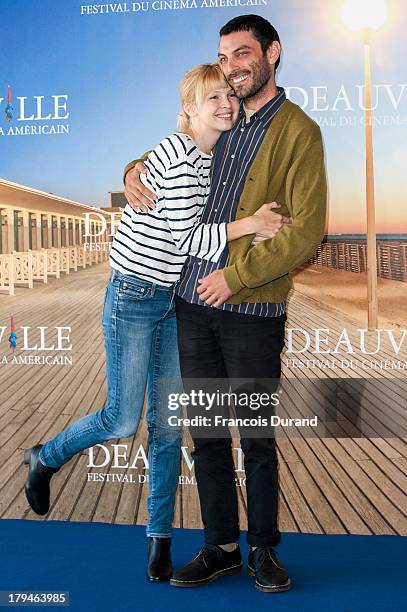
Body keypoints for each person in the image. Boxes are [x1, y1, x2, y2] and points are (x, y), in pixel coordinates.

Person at [23, 62, 288, 583]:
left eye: (227, 97)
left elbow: (209, 223)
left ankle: (159, 537)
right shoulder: (173, 154)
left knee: (168, 430)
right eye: (211, 98)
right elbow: (188, 239)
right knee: (123, 420)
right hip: (134, 296)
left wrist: (257, 232)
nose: (225, 104)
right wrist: (251, 224)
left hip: (175, 301)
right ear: (188, 109)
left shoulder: (212, 158)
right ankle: (46, 456)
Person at [123, 15, 327, 593]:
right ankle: (220, 548)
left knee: (256, 438)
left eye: (243, 53)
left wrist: (237, 278)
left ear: (273, 53)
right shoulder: (220, 112)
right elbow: (155, 155)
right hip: (190, 301)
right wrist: (133, 170)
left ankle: (264, 550)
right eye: (224, 55)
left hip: (252, 309)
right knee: (208, 434)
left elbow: (306, 230)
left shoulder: (300, 133)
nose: (233, 66)